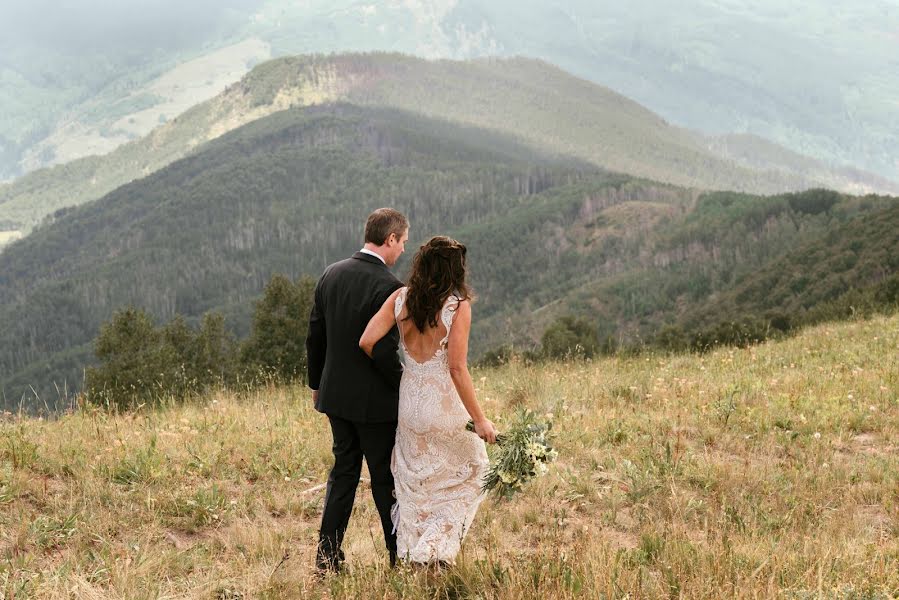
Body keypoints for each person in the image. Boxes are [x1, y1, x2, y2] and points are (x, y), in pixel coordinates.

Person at [360, 235, 497, 566]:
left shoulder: (399, 299)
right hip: (445, 408)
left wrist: (402, 374)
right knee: (472, 473)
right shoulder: (457, 307)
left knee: (419, 483)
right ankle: (435, 547)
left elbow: (366, 341)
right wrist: (480, 419)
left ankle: (416, 551)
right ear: (454, 270)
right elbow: (456, 368)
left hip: (410, 406)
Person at [306, 207, 409, 572]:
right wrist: (404, 385)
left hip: (335, 396)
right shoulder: (392, 288)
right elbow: (382, 349)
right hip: (375, 404)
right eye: (402, 243)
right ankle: (398, 558)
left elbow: (315, 336)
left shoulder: (330, 273)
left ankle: (327, 557)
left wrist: (316, 385)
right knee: (385, 479)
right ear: (390, 238)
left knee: (343, 474)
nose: (402, 253)